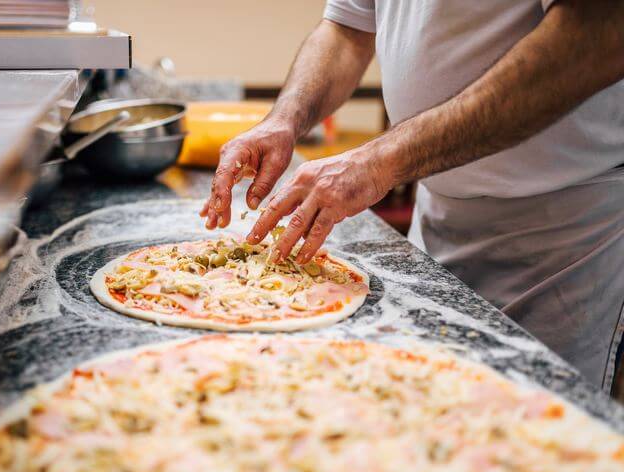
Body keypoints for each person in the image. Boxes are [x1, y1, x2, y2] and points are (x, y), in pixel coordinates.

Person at [200, 0, 624, 392]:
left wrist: (382, 158)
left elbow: (594, 37)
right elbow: (347, 30)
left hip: (562, 238)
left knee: (529, 435)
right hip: (436, 217)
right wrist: (284, 120)